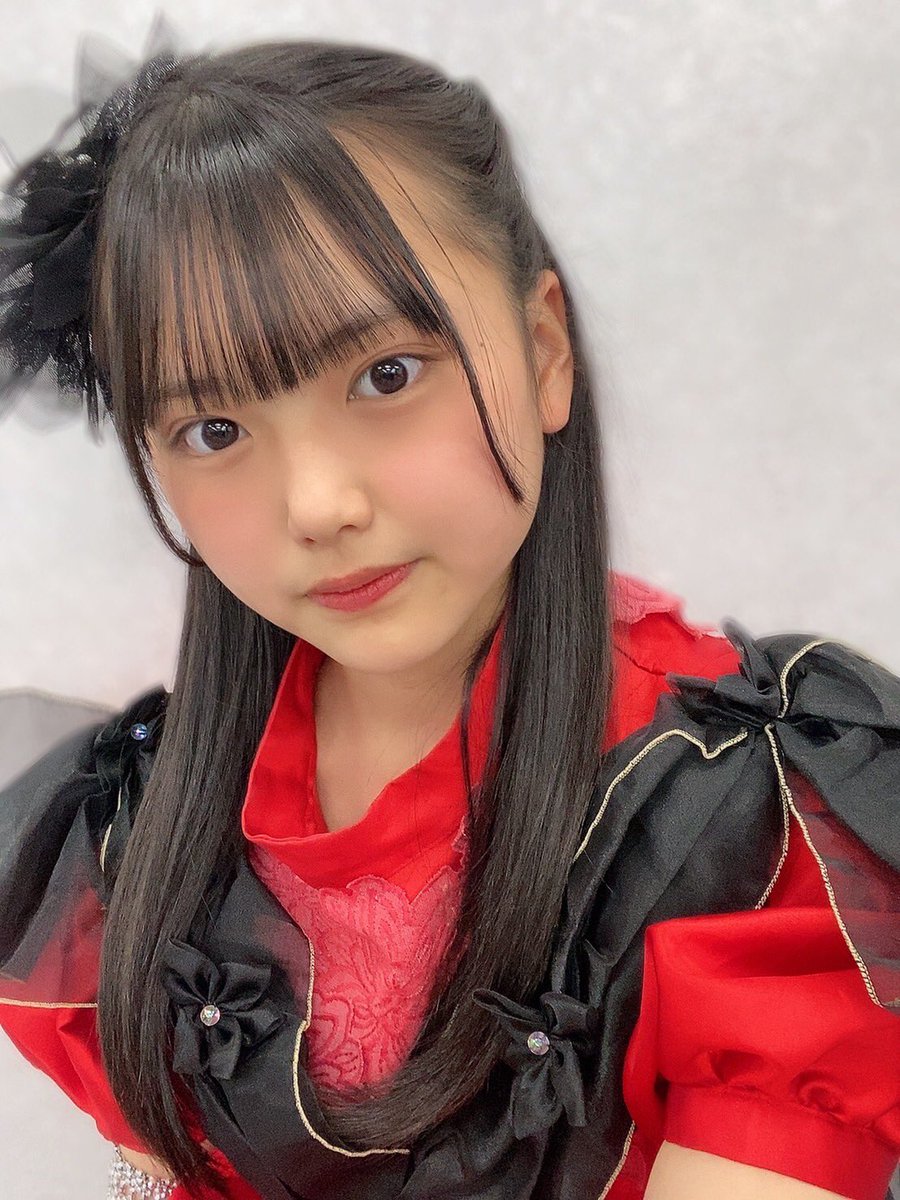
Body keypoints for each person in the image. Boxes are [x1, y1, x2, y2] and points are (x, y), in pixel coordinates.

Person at [0, 28, 898, 1200]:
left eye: (386, 375)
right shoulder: (130, 832)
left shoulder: (749, 821)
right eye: (214, 431)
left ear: (543, 350)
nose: (318, 505)